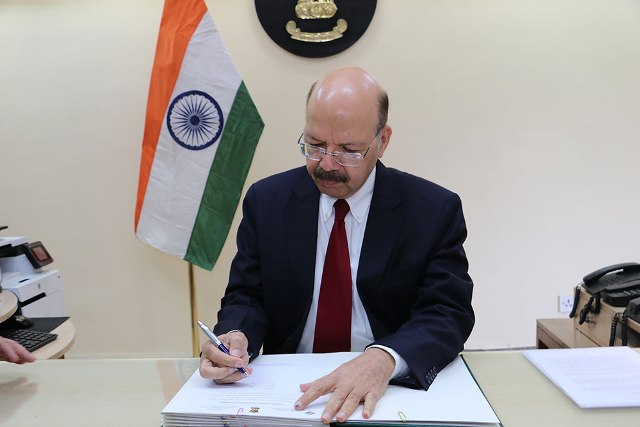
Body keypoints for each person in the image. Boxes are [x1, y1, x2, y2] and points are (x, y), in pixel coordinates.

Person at [200, 67, 474, 424]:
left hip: (389, 390)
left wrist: (384, 359)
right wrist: (235, 336)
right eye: (315, 145)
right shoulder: (267, 201)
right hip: (291, 390)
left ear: (382, 140)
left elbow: (448, 312)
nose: (327, 165)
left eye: (349, 150)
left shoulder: (432, 210)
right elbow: (246, 296)